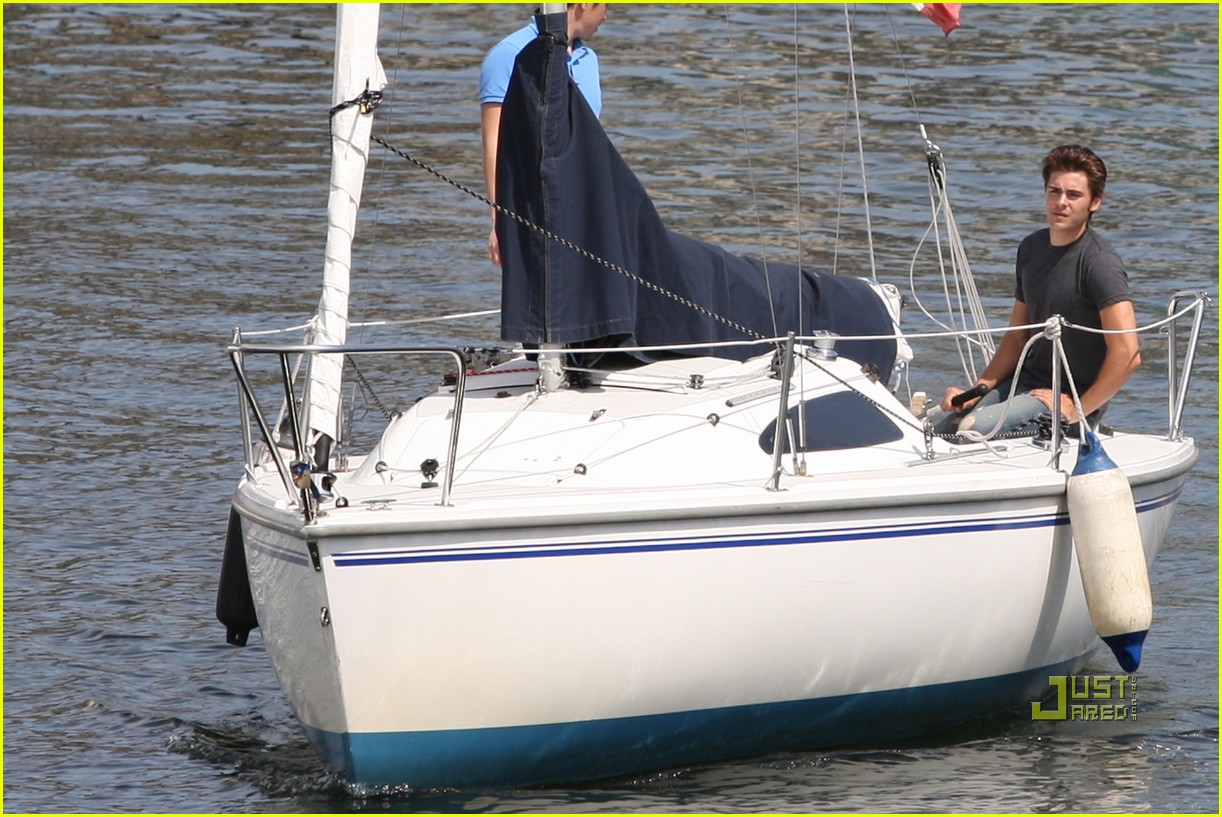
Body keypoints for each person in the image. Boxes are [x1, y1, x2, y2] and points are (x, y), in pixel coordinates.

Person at [933, 144, 1141, 438]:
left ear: (1095, 202)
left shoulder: (1099, 263)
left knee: (971, 428)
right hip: (1024, 381)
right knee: (942, 424)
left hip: (1067, 395)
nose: (1061, 202)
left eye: (1074, 195)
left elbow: (1129, 354)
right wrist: (980, 388)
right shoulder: (1031, 249)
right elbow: (1018, 336)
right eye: (1054, 191)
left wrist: (1077, 409)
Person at [479, 3, 608, 266]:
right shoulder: (509, 54)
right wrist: (499, 220)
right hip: (532, 205)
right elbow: (494, 143)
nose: (607, 14)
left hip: (586, 208)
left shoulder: (589, 59)